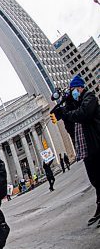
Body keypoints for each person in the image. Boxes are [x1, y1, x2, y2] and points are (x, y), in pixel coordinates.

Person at [52, 75, 100, 226]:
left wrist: (66, 113)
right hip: (86, 149)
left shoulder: (89, 97)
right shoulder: (76, 103)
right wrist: (63, 111)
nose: (73, 92)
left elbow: (84, 114)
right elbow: (71, 127)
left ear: (80, 88)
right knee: (95, 180)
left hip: (96, 144)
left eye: (73, 90)